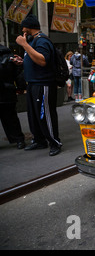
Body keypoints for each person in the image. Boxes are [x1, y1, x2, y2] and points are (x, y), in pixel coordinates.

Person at [13, 14, 62, 156]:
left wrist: (24, 44)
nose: (22, 29)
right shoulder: (34, 41)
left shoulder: (41, 41)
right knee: (34, 115)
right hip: (34, 84)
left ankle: (55, 142)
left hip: (43, 84)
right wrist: (23, 61)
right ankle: (39, 140)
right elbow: (35, 59)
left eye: (23, 26)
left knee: (45, 114)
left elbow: (42, 60)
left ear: (29, 27)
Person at [0, 44, 26, 149]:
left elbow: (18, 74)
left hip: (6, 91)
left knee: (11, 117)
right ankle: (19, 139)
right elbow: (18, 74)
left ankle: (19, 139)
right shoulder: (9, 56)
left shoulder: (9, 57)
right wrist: (20, 87)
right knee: (11, 118)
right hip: (8, 91)